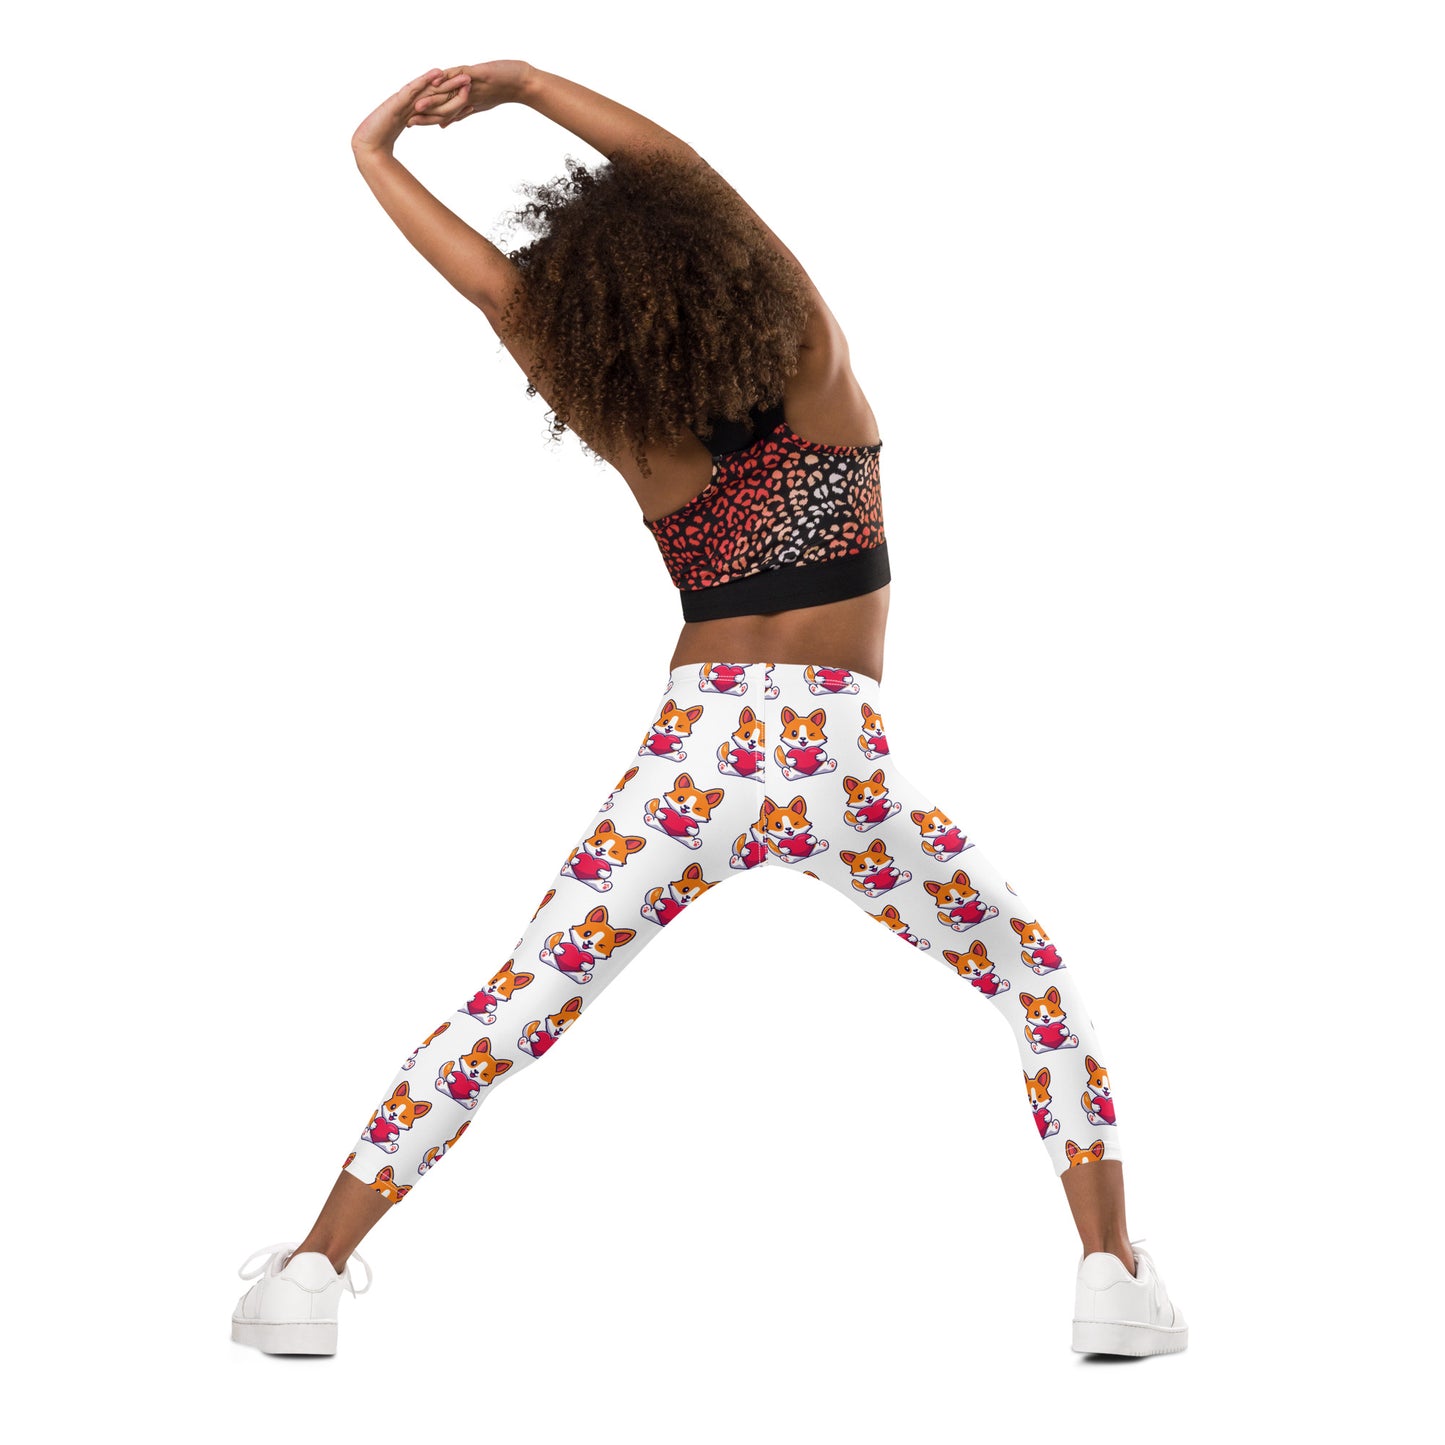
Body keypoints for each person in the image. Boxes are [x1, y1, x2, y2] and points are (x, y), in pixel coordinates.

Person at [231, 60, 1187, 1360]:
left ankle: (309, 1271)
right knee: (1030, 980)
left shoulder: (631, 425)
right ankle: (1110, 1273)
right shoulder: (817, 367)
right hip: (840, 764)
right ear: (722, 267)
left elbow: (494, 289)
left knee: (511, 1011)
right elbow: (689, 180)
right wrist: (527, 86)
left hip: (697, 759)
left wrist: (375, 154)